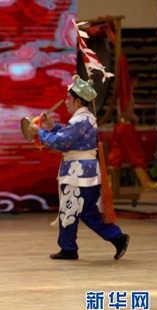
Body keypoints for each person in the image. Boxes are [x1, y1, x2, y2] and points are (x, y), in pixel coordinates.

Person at [28, 75, 130, 260]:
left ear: (76, 100)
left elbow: (61, 142)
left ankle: (68, 249)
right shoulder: (86, 118)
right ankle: (117, 237)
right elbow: (70, 139)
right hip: (88, 174)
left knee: (69, 210)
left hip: (77, 175)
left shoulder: (80, 120)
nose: (66, 101)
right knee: (89, 212)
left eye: (68, 98)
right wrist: (52, 127)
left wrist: (40, 132)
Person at [109, 72, 157, 191]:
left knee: (116, 157)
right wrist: (134, 117)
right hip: (125, 127)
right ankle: (145, 183)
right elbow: (124, 113)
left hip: (121, 127)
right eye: (136, 80)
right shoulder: (125, 94)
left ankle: (109, 184)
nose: (138, 83)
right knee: (136, 155)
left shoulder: (126, 93)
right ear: (133, 80)